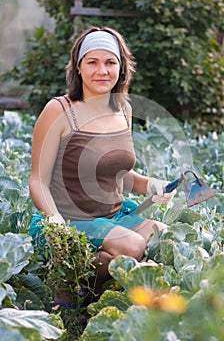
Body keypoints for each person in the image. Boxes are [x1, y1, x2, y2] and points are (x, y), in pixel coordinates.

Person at [29, 26, 176, 299]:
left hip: (112, 216)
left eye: (110, 62)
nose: (102, 71)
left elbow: (120, 174)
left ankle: (87, 287)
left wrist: (153, 185)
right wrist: (57, 223)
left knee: (164, 235)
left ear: (121, 68)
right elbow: (37, 180)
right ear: (78, 68)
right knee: (132, 246)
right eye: (92, 62)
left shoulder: (123, 109)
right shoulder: (59, 111)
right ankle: (63, 276)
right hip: (69, 220)